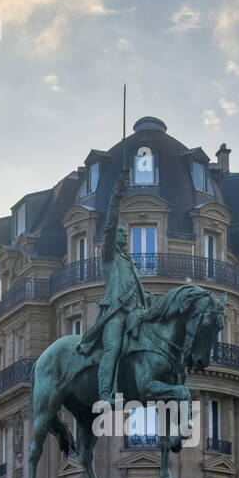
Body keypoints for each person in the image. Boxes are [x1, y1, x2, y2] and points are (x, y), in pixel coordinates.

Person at [77, 169, 151, 405]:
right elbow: (110, 225)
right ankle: (105, 394)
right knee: (113, 348)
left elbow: (139, 291)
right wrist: (116, 195)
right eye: (122, 232)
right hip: (115, 314)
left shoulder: (130, 263)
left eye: (124, 233)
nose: (124, 236)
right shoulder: (109, 256)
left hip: (137, 313)